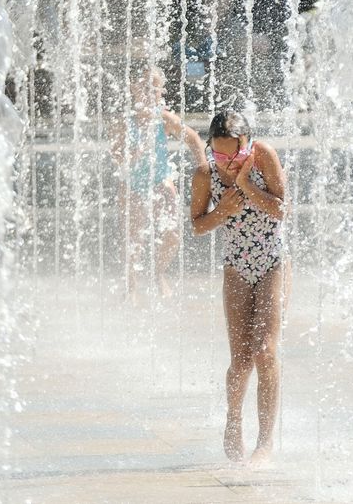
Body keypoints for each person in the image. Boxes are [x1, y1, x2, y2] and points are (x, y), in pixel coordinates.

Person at [189, 110, 288, 466]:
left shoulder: (264, 157)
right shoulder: (205, 174)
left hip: (272, 262)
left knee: (266, 352)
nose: (228, 163)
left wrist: (247, 187)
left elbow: (281, 209)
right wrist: (222, 211)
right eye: (220, 155)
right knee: (242, 359)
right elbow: (197, 225)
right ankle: (233, 422)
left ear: (249, 144)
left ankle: (265, 442)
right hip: (236, 267)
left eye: (236, 154)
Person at [111, 65, 204, 302]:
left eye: (156, 89)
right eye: (145, 87)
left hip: (161, 179)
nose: (151, 93)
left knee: (173, 235)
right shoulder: (124, 122)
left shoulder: (164, 119)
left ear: (161, 92)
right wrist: (136, 153)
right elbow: (117, 156)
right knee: (133, 240)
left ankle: (157, 272)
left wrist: (204, 168)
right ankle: (131, 286)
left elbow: (194, 139)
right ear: (133, 89)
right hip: (133, 183)